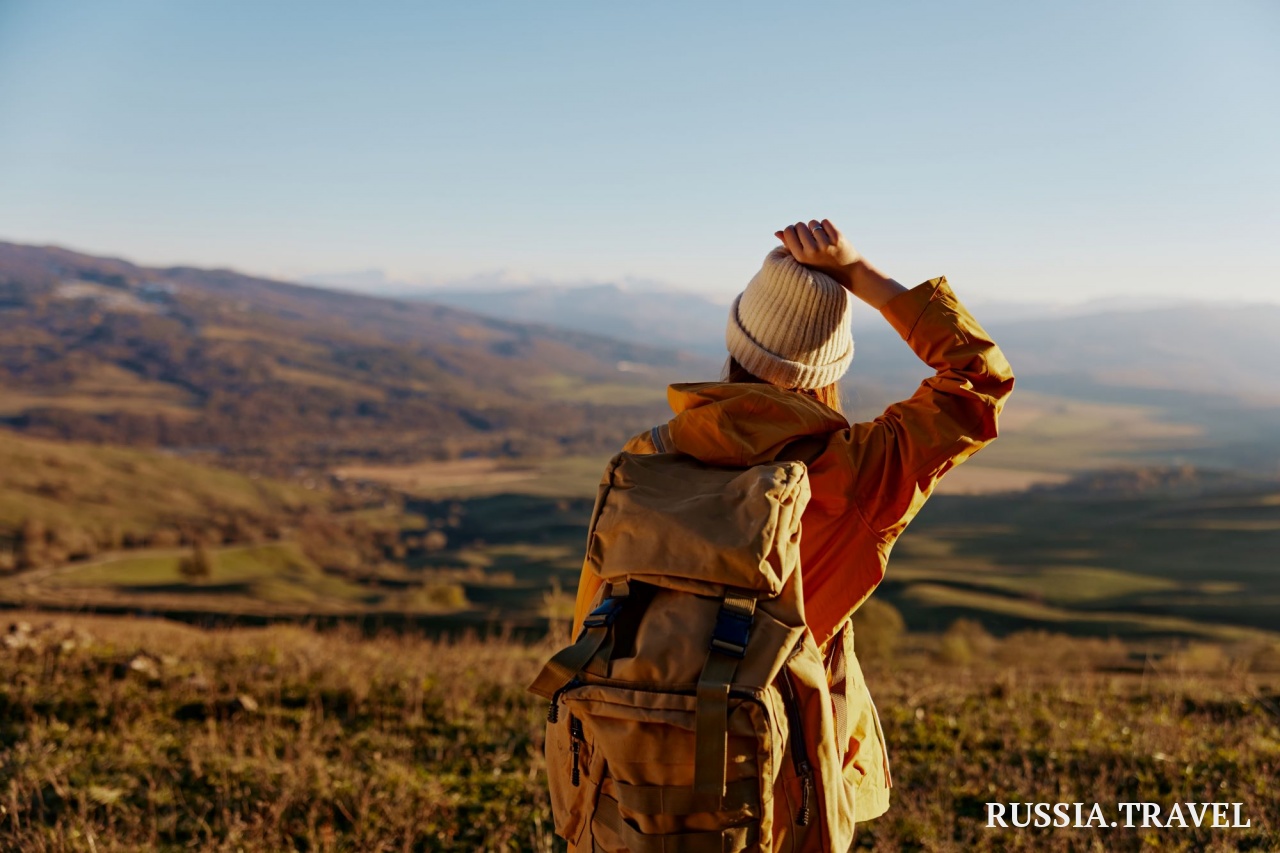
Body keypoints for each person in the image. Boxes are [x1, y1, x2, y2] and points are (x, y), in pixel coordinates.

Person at [567, 218, 1015, 831]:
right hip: (783, 783)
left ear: (735, 346)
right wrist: (861, 275)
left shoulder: (645, 458)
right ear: (830, 369)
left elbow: (592, 618)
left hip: (628, 783)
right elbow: (978, 381)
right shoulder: (857, 474)